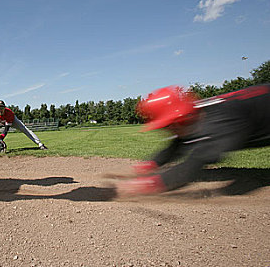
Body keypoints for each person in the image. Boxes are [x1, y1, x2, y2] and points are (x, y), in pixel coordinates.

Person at [115, 84, 270, 197]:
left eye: (167, 126)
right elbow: (180, 142)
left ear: (179, 120)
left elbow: (194, 164)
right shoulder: (198, 112)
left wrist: (147, 184)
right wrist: (152, 164)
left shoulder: (222, 120)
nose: (165, 130)